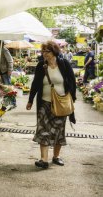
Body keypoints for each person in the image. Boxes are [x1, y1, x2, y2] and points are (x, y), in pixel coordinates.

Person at [26, 41, 76, 169]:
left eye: (46, 51)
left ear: (54, 52)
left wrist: (71, 98)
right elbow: (36, 83)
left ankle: (56, 156)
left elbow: (72, 81)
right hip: (44, 102)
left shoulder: (64, 64)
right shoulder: (41, 66)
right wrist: (30, 99)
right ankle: (44, 159)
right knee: (43, 129)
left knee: (58, 130)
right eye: (43, 51)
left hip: (61, 103)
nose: (44, 54)